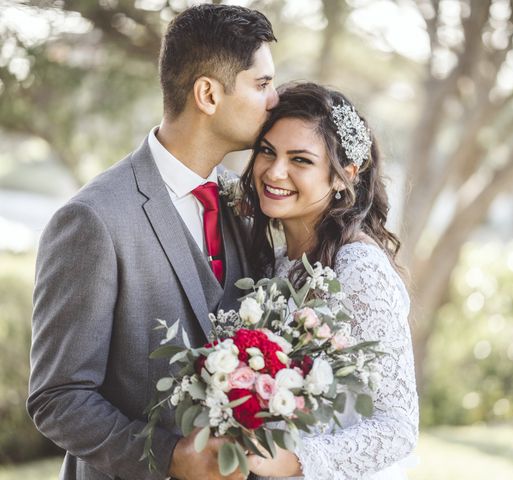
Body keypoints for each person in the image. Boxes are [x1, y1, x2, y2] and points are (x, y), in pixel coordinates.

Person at [27, 5, 278, 480]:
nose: (274, 99)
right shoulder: (93, 220)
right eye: (262, 84)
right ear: (207, 93)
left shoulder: (245, 207)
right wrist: (168, 457)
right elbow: (57, 397)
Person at [239, 82, 419, 479]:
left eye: (300, 160)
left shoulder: (359, 269)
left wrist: (293, 459)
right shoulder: (277, 263)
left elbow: (398, 428)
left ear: (344, 176)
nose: (275, 171)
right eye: (267, 151)